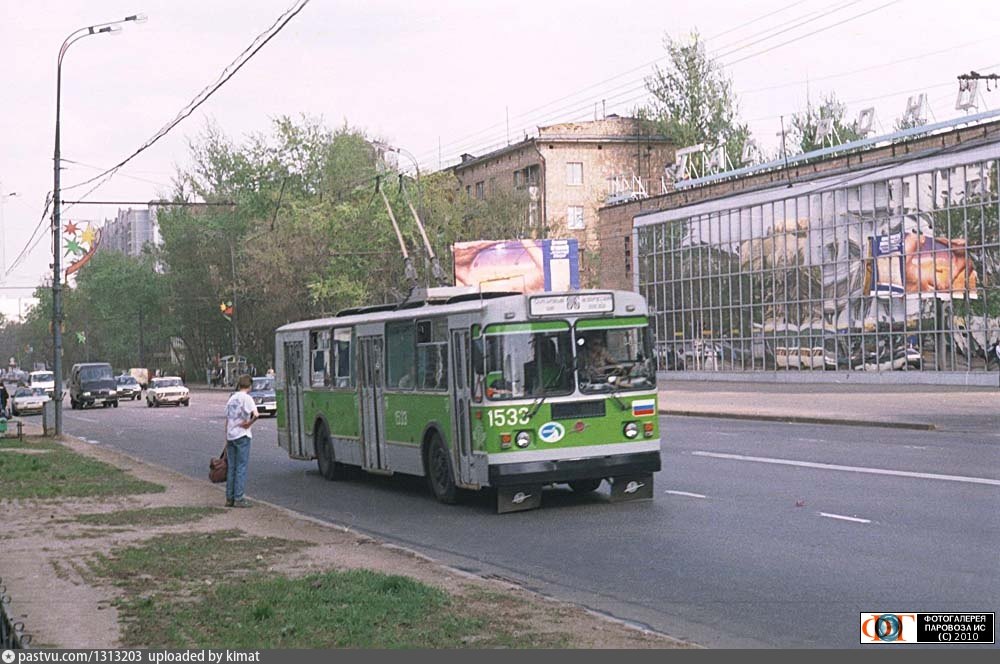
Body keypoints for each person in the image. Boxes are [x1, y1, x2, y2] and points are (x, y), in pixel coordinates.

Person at [224, 374, 259, 508]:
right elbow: (256, 415)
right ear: (249, 386)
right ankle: (239, 497)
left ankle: (229, 497)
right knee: (241, 467)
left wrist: (226, 437)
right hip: (242, 435)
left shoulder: (232, 398)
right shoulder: (247, 398)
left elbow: (227, 418)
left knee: (231, 467)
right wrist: (249, 424)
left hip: (231, 435)